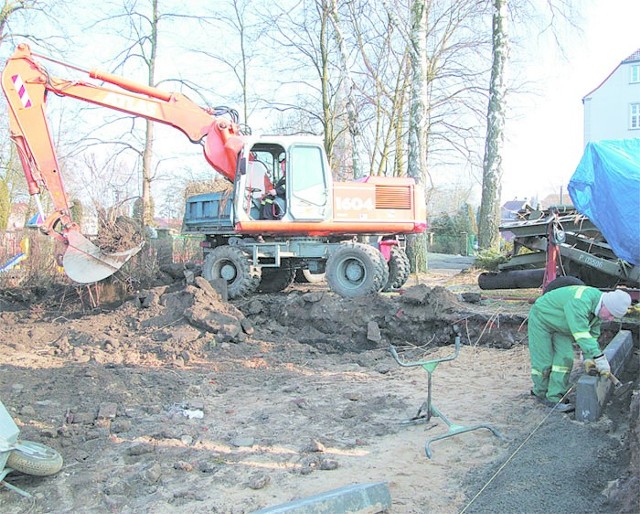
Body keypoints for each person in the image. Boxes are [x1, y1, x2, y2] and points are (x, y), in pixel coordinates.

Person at [527, 286, 632, 412]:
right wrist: (599, 357)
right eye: (611, 315)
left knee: (565, 359)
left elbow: (591, 336)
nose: (611, 319)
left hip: (561, 325)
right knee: (544, 361)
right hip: (542, 319)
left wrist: (588, 359)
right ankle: (540, 393)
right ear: (605, 305)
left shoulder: (598, 312)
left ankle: (555, 397)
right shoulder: (580, 301)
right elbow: (581, 333)